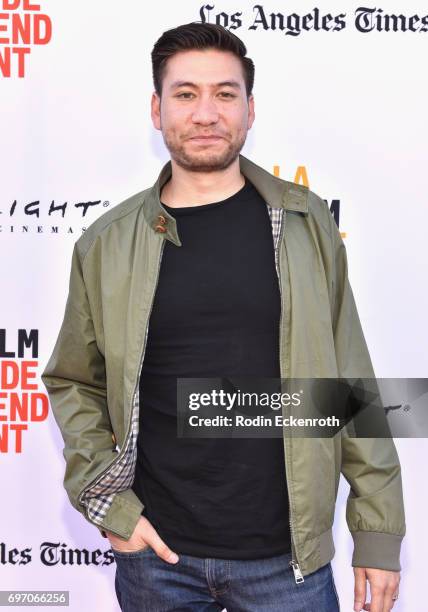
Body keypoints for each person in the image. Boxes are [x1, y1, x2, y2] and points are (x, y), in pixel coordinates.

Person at [41, 21, 405, 612]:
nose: (206, 113)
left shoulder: (306, 226)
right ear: (157, 109)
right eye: (186, 94)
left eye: (225, 93)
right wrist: (113, 509)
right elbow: (73, 382)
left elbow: (350, 384)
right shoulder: (105, 244)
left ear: (251, 109)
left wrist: (379, 533)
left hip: (289, 566)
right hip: (157, 562)